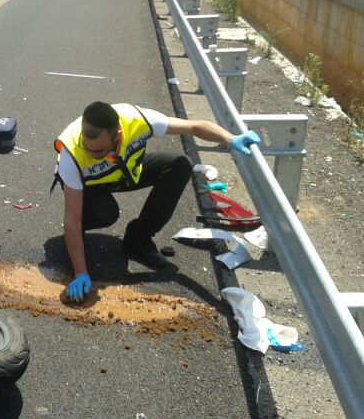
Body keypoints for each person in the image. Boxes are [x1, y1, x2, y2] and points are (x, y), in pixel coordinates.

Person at [53, 101, 261, 302]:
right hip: (89, 186)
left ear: (118, 134)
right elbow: (71, 220)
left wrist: (230, 139)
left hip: (123, 173)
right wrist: (80, 273)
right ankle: (76, 242)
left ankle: (138, 238)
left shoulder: (137, 119)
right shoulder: (72, 154)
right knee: (106, 212)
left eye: (98, 151)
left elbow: (194, 126)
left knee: (180, 165)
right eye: (87, 148)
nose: (91, 155)